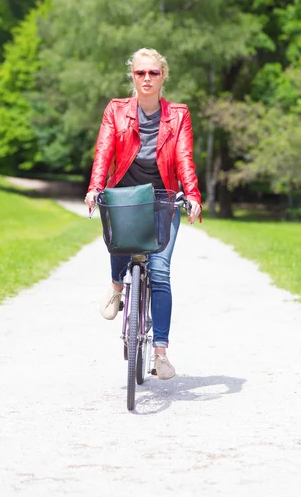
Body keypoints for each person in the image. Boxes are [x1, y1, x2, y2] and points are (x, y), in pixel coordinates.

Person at [85, 48, 201, 380]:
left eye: (153, 72)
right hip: (124, 195)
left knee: (161, 272)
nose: (146, 78)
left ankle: (160, 353)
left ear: (163, 75)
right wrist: (95, 188)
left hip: (163, 197)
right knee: (119, 244)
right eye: (140, 73)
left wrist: (191, 195)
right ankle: (116, 288)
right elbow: (104, 151)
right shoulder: (116, 110)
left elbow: (184, 157)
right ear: (132, 77)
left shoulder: (178, 114)